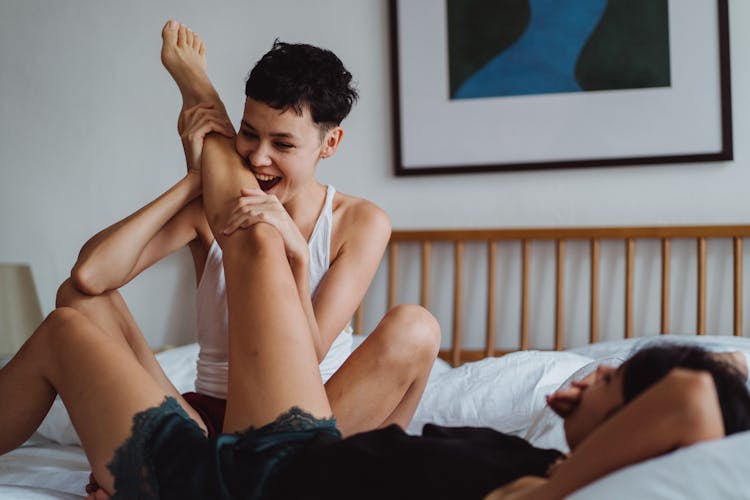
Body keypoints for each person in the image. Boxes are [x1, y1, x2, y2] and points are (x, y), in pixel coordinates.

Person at [2, 110, 750, 500]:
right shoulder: (529, 458)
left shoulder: (543, 493)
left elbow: (691, 400)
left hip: (245, 484)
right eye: (601, 373)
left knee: (71, 326)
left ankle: (205, 133)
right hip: (284, 448)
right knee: (80, 303)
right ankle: (208, 151)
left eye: (605, 384)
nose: (582, 380)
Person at [56, 18, 440, 444]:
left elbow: (303, 357)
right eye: (248, 133)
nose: (259, 158)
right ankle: (211, 464)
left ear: (329, 144)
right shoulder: (213, 212)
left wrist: (296, 251)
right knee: (77, 302)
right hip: (206, 420)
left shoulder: (359, 222)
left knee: (417, 326)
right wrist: (194, 181)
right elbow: (91, 276)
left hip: (309, 415)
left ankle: (347, 467)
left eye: (283, 144)